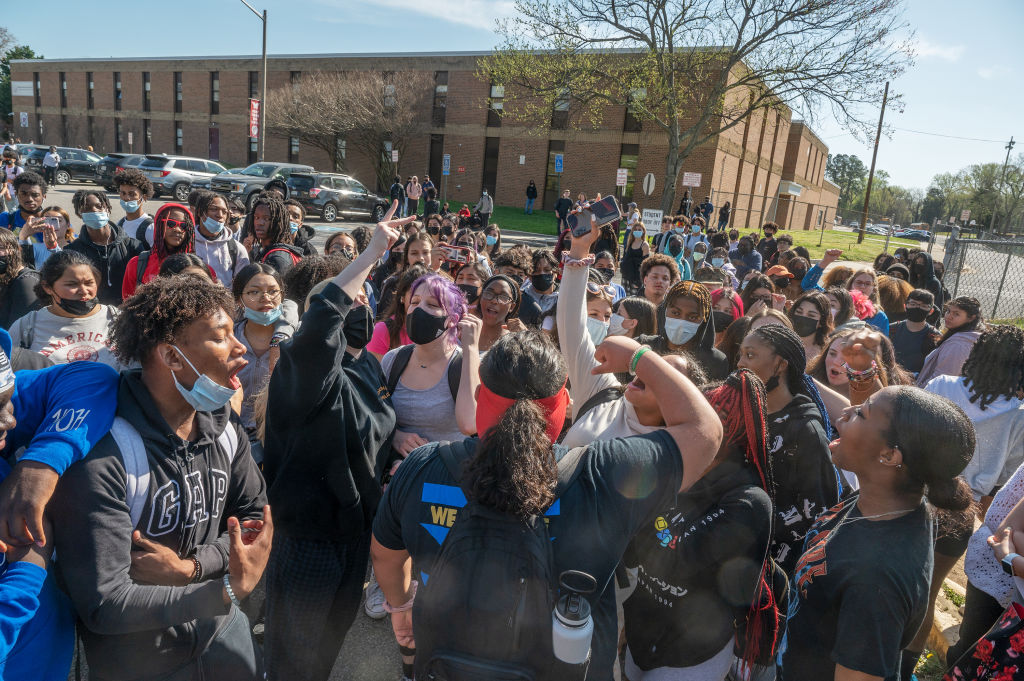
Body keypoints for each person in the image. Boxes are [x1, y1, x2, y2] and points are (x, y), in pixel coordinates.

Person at [370, 329, 722, 681]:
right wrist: (638, 357)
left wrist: (400, 606)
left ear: (479, 396)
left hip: (445, 663)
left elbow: (385, 555)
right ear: (564, 404)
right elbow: (705, 431)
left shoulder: (422, 467)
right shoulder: (603, 476)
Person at [50, 275, 273, 681]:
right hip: (140, 662)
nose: (240, 347)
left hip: (223, 633)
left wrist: (191, 570)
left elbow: (255, 521)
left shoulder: (224, 429)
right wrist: (221, 590)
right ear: (172, 356)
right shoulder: (105, 454)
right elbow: (106, 603)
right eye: (221, 337)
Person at [779, 332, 976, 681]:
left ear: (889, 456)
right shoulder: (895, 495)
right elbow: (882, 426)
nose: (846, 411)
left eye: (860, 414)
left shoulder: (876, 579)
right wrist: (862, 376)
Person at [262, 214, 402, 681]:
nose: (361, 304)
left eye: (365, 297)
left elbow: (370, 423)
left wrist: (398, 439)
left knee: (326, 649)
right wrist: (369, 255)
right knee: (293, 658)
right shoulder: (300, 369)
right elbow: (323, 319)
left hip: (355, 536)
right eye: (351, 298)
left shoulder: (369, 368)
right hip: (308, 541)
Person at [622, 369, 777, 681]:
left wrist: (649, 508)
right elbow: (633, 554)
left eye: (697, 417)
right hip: (640, 634)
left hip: (690, 657)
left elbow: (677, 557)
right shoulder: (674, 467)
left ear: (727, 433)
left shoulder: (748, 502)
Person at [736, 325, 840, 573]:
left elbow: (817, 513)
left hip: (776, 570)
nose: (740, 364)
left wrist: (751, 525)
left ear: (780, 365)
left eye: (750, 355)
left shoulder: (806, 432)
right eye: (740, 355)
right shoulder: (744, 412)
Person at [8, 250, 118, 368]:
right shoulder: (26, 327)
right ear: (47, 287)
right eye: (72, 284)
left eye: (89, 283)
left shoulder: (117, 319)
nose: (84, 291)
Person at [232, 264, 293, 465]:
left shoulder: (293, 342)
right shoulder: (228, 339)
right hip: (232, 438)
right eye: (254, 292)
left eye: (273, 291)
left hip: (278, 440)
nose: (265, 298)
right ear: (239, 299)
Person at [63, 189, 146, 306]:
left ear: (108, 209)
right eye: (87, 208)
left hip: (126, 313)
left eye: (99, 206)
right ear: (79, 214)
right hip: (91, 315)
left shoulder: (133, 246)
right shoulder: (72, 251)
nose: (94, 211)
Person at [637, 280, 730, 380]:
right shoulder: (644, 346)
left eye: (692, 317)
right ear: (665, 310)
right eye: (676, 313)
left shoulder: (715, 361)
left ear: (704, 320)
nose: (682, 322)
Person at [122, 203, 200, 299]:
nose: (178, 229)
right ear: (159, 225)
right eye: (170, 223)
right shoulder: (137, 264)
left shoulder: (199, 269)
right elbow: (127, 302)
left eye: (184, 225)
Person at [916, 296, 984, 387]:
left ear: (971, 318)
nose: (949, 316)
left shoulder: (958, 345)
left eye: (956, 314)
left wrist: (918, 390)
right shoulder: (962, 336)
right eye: (948, 311)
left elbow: (941, 381)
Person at [366, 264, 429, 361]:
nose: (421, 303)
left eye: (428, 295)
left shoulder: (439, 332)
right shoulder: (382, 331)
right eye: (414, 294)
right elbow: (373, 374)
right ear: (402, 297)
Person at [194, 191, 250, 288]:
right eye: (213, 209)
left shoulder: (236, 249)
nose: (220, 215)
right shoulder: (187, 244)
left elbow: (243, 285)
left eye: (224, 212)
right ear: (199, 212)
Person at [247, 194, 303, 277]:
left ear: (278, 222)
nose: (259, 223)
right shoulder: (263, 249)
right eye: (256, 217)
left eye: (266, 219)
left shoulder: (277, 258)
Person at [888, 289, 941, 376]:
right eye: (913, 304)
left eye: (924, 306)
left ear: (931, 311)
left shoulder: (935, 337)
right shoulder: (891, 329)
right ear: (905, 306)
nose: (917, 308)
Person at [471, 274, 522, 353]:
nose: (494, 301)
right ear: (481, 298)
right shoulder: (463, 330)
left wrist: (527, 339)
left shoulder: (515, 345)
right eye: (489, 293)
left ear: (511, 307)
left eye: (503, 297)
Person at [0, 228, 40, 329]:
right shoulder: (4, 279)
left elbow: (19, 331)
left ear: (17, 249)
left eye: (1, 247)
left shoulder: (26, 281)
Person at [788, 290, 833, 364]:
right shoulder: (781, 342)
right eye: (799, 312)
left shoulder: (825, 353)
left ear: (822, 322)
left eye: (811, 315)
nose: (803, 318)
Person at [114, 168, 155, 246]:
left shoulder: (150, 228)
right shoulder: (119, 225)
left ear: (144, 198)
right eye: (123, 193)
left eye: (132, 194)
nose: (126, 198)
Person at [908, 251, 945, 323]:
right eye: (917, 262)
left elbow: (933, 306)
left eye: (922, 263)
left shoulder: (933, 282)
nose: (918, 265)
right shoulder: (913, 279)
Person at [522, 248, 559, 314]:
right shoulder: (522, 298)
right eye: (536, 270)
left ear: (555, 273)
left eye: (547, 270)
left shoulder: (562, 298)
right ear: (529, 276)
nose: (542, 273)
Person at [621, 222, 652, 294]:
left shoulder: (644, 245)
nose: (637, 231)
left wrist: (638, 281)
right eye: (635, 229)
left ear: (643, 231)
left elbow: (645, 265)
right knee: (625, 299)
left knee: (634, 301)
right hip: (626, 276)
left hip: (636, 279)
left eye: (639, 230)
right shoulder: (630, 243)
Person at [1, 148, 24, 214]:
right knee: (11, 211)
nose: (7, 161)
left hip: (17, 194)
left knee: (21, 211)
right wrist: (7, 192)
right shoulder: (3, 169)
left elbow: (21, 182)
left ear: (14, 160)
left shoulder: (19, 169)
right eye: (6, 159)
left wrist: (8, 180)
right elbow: (3, 184)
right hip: (8, 194)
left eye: (9, 159)